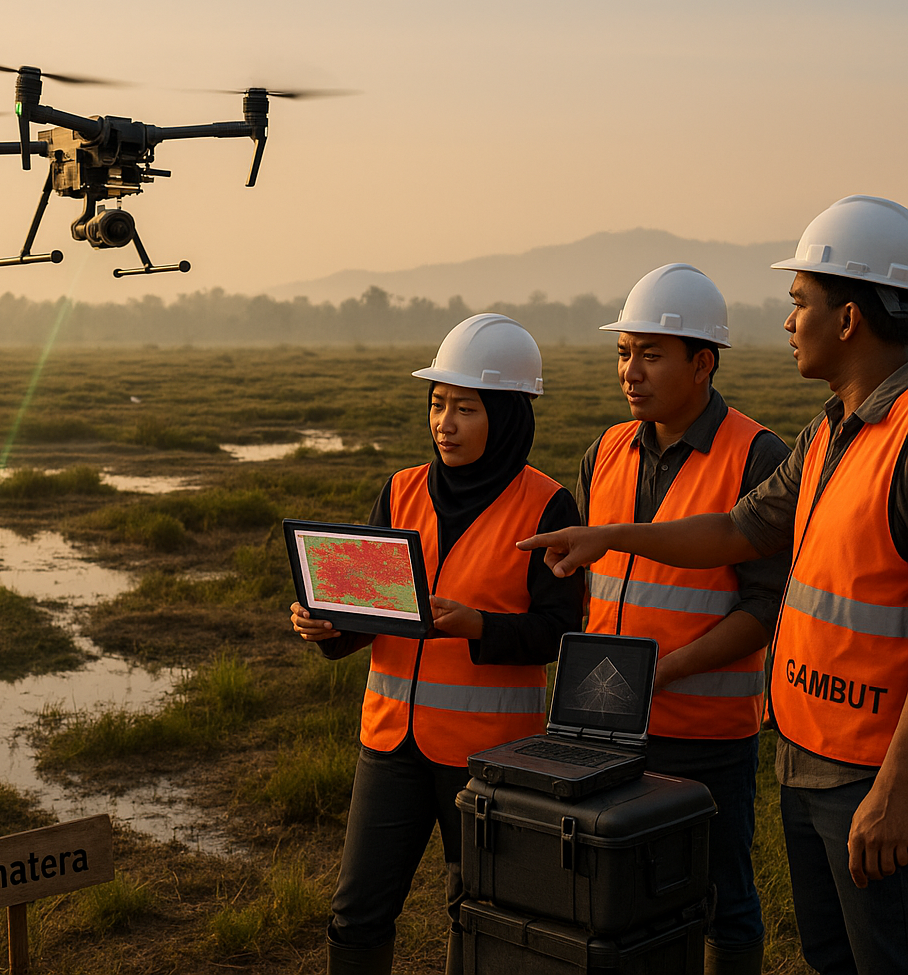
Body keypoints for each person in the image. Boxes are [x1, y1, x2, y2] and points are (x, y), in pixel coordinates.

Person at [519, 195, 908, 975]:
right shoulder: (829, 433)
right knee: (833, 958)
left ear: (849, 318)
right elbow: (736, 531)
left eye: (800, 302)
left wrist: (897, 789)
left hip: (869, 770)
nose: (788, 322)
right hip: (807, 752)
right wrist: (608, 535)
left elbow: (755, 585)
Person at [291, 313, 585, 975]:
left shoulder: (546, 505)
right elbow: (371, 611)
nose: (444, 423)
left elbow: (559, 630)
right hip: (389, 743)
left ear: (507, 416)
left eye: (465, 408)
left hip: (490, 755)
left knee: (479, 912)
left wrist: (480, 625)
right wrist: (329, 627)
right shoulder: (399, 491)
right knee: (356, 913)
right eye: (437, 403)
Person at [572, 262, 790, 975]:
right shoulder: (604, 451)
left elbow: (766, 606)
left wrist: (669, 671)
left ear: (703, 363)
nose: (630, 372)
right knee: (621, 898)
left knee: (724, 900)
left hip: (706, 735)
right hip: (606, 724)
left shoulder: (757, 455)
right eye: (623, 352)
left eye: (651, 354)